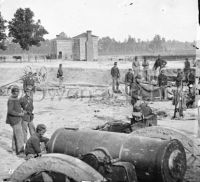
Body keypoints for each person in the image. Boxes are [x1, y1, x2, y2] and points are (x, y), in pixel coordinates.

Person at [6, 85, 25, 156]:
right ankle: (20, 152)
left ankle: (14, 150)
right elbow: (10, 111)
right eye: (15, 92)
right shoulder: (11, 100)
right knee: (19, 136)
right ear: (12, 92)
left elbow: (16, 108)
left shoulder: (15, 98)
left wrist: (21, 110)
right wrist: (19, 114)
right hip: (14, 120)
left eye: (17, 92)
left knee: (15, 135)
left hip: (17, 119)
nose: (16, 93)